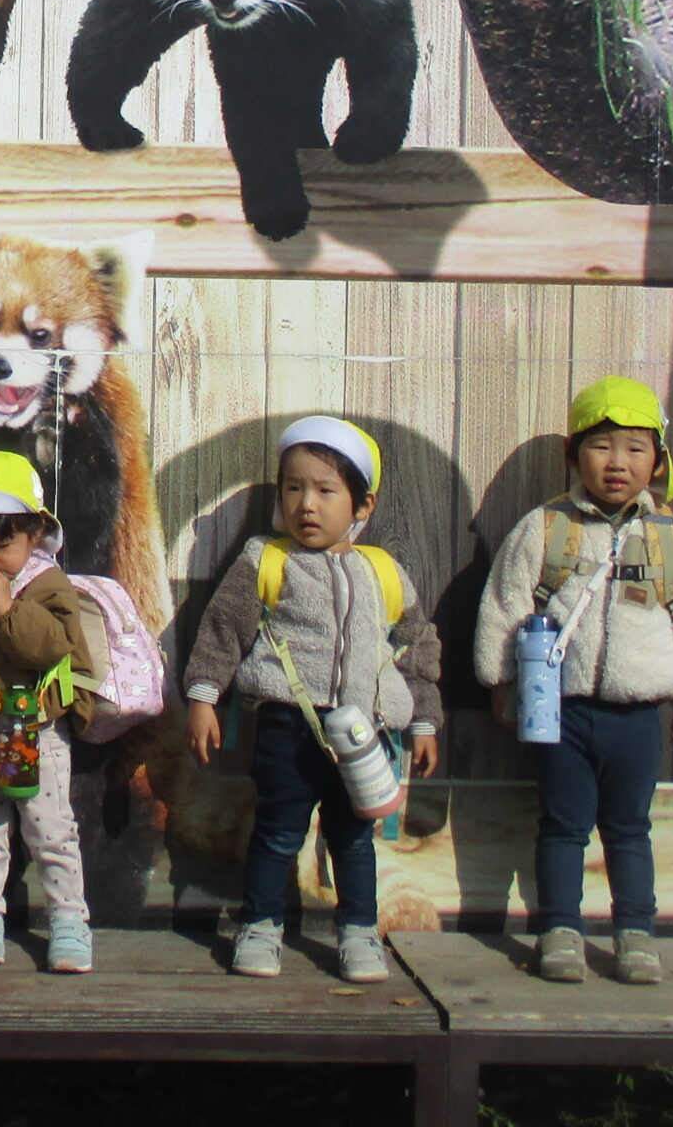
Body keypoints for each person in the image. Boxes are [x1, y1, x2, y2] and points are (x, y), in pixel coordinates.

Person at [474, 377, 673, 987]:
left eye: (636, 448)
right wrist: (498, 679)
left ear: (657, 461)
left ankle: (635, 934)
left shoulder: (669, 537)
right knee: (562, 825)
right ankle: (559, 930)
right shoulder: (544, 528)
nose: (618, 463)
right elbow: (504, 604)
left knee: (629, 829)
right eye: (601, 446)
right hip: (558, 709)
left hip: (638, 717)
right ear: (573, 454)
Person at [184, 415, 441, 985]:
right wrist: (203, 697)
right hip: (287, 728)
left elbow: (418, 650)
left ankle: (359, 932)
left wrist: (424, 722)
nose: (307, 504)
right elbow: (223, 631)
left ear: (363, 504)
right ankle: (260, 927)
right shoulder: (266, 560)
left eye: (326, 491)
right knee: (278, 832)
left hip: (366, 735)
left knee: (353, 838)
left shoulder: (384, 573)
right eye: (294, 488)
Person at [0, 449, 94, 974]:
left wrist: (7, 608)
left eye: (3, 545)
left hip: (36, 730)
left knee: (50, 830)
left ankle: (69, 920)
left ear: (34, 534)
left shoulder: (47, 585)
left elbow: (50, 647)